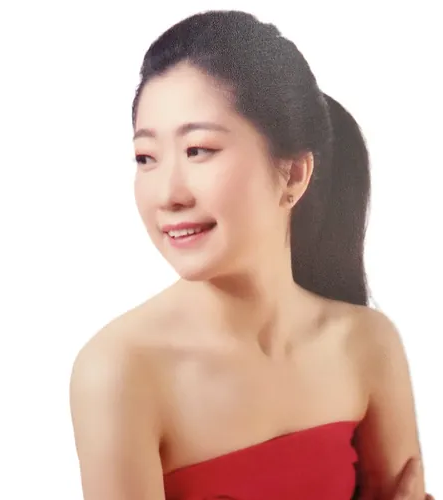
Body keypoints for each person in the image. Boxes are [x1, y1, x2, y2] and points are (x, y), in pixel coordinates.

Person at [69, 9, 434, 500]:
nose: (168, 194)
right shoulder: (119, 372)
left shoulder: (366, 344)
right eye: (146, 158)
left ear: (294, 173)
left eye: (198, 150)